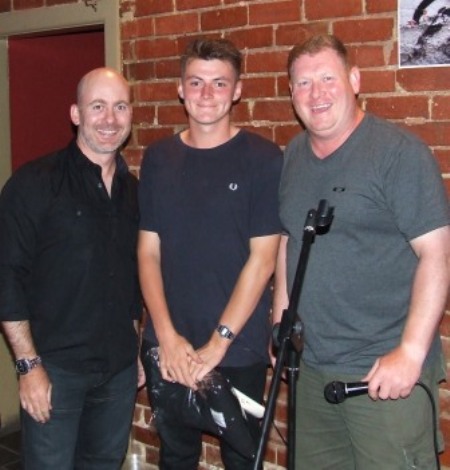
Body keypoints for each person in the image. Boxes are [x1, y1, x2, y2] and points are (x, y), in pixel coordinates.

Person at [274, 34, 450, 469]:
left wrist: (409, 353)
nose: (316, 93)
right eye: (303, 83)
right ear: (292, 93)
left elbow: (437, 255)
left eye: (327, 78)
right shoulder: (293, 155)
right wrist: (281, 318)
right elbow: (288, 240)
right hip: (312, 370)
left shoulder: (397, 154)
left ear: (354, 80)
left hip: (382, 373)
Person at [138, 38, 282, 469]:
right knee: (177, 456)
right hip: (169, 346)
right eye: (196, 82)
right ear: (180, 88)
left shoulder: (262, 158)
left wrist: (218, 344)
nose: (206, 94)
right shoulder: (159, 158)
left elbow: (264, 260)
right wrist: (165, 336)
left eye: (219, 83)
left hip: (237, 349)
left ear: (237, 90)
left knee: (242, 460)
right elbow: (148, 252)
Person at [0, 67, 145, 469]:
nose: (110, 119)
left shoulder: (133, 192)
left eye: (120, 107)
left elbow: (130, 281)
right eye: (97, 106)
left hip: (116, 371)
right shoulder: (35, 183)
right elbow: (6, 275)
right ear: (76, 114)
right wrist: (28, 366)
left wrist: (132, 349)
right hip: (55, 372)